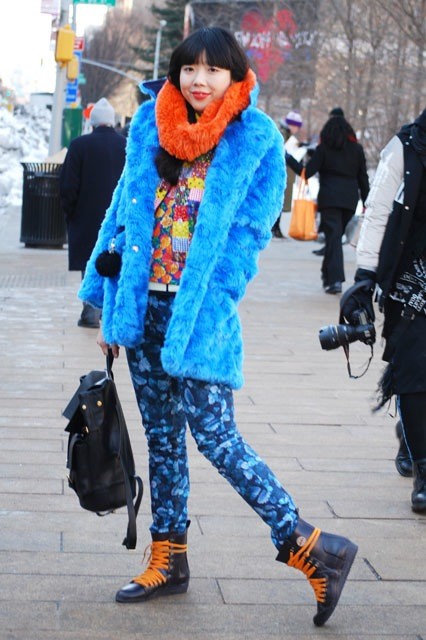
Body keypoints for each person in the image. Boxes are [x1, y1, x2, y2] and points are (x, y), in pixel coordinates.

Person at [78, 27, 357, 626]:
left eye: (212, 70)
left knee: (216, 437)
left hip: (199, 318)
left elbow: (251, 234)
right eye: (189, 69)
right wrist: (104, 301)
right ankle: (169, 559)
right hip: (141, 309)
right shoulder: (151, 124)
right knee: (163, 440)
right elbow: (121, 211)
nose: (198, 80)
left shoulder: (254, 139)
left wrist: (216, 298)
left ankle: (311, 547)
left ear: (234, 76)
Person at [341, 108, 426, 513]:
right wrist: (365, 275)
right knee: (414, 370)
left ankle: (412, 433)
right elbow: (376, 214)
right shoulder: (405, 147)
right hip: (410, 281)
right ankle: (424, 467)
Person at [60, 97, 126, 328]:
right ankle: (109, 311)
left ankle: (90, 310)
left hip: (85, 218)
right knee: (114, 261)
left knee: (89, 262)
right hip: (117, 218)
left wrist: (70, 214)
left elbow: (68, 186)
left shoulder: (79, 145)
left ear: (93, 122)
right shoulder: (126, 145)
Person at [286, 114, 369, 294]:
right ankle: (328, 276)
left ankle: (335, 280)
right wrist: (366, 202)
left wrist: (288, 158)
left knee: (334, 239)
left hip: (329, 199)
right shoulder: (357, 150)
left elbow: (306, 172)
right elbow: (363, 177)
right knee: (334, 239)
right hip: (349, 201)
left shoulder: (324, 149)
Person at [273, 110, 305, 238]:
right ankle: (275, 227)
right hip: (279, 172)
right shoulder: (283, 134)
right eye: (297, 126)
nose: (297, 129)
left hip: (283, 172)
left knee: (280, 199)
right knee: (278, 199)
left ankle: (276, 227)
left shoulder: (286, 134)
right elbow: (280, 150)